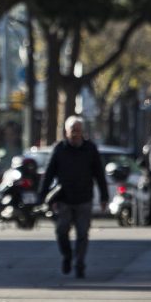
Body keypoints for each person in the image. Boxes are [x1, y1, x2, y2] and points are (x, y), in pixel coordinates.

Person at [39, 116, 108, 279]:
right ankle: (67, 256)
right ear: (66, 132)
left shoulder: (90, 149)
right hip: (64, 199)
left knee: (82, 234)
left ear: (82, 132)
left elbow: (99, 174)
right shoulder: (59, 149)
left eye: (78, 131)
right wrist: (42, 195)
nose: (75, 134)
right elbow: (48, 174)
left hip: (84, 198)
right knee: (61, 231)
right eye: (72, 131)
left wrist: (104, 197)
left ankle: (79, 263)